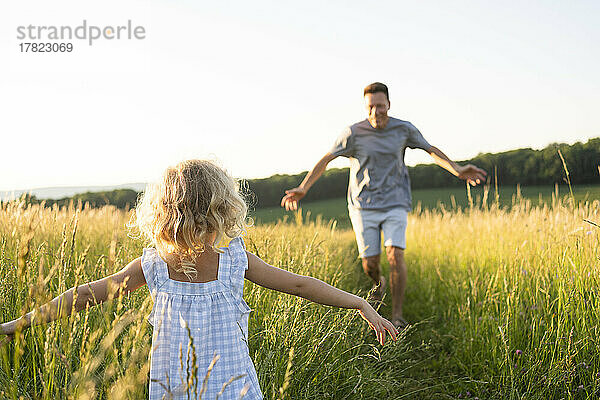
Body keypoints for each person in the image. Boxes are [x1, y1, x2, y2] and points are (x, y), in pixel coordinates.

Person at [0, 160, 398, 400]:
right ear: (223, 208)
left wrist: (21, 323)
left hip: (192, 386)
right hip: (223, 386)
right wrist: (359, 303)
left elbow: (85, 295)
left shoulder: (179, 263)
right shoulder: (192, 262)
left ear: (164, 213)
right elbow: (301, 284)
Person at [281, 82, 487, 330]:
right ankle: (378, 282)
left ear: (388, 104)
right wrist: (304, 187)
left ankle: (397, 314)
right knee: (370, 263)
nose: (376, 111)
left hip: (395, 202)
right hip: (362, 206)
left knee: (395, 255)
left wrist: (457, 169)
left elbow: (430, 150)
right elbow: (327, 158)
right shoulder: (353, 133)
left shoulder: (404, 129)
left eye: (380, 106)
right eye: (371, 107)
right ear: (365, 107)